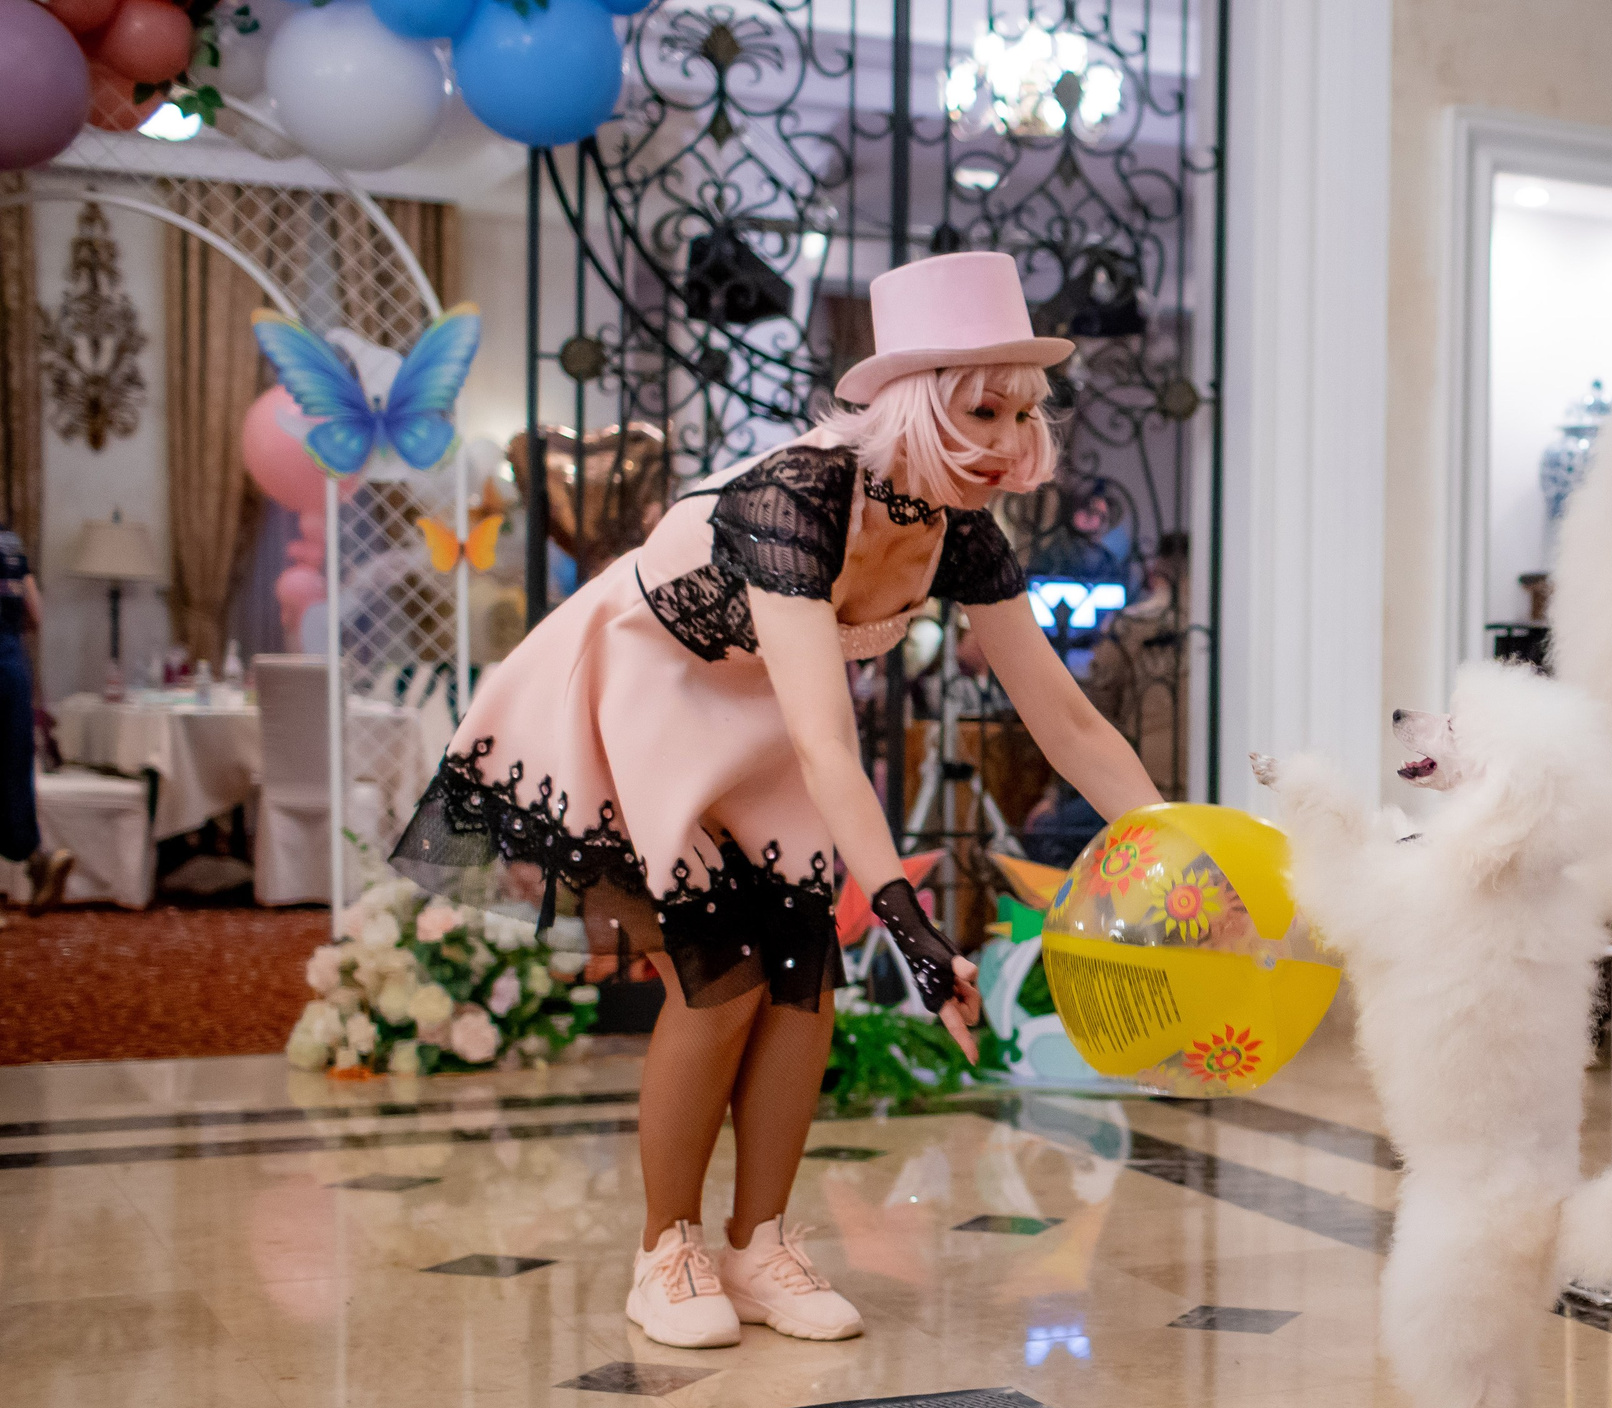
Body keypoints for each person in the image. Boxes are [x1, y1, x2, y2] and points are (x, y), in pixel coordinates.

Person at [390, 253, 1162, 1348]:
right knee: (723, 982)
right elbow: (823, 735)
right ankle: (667, 1250)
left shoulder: (963, 529)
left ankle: (760, 1244)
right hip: (635, 703)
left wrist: (1177, 841)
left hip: (759, 726)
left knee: (804, 980)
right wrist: (914, 930)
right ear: (913, 401)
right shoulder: (797, 493)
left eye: (1021, 412)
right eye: (980, 410)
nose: (1005, 442)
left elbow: (1067, 721)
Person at [0, 521, 73, 920]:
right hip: (12, 664)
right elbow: (36, 613)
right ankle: (37, 860)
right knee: (13, 770)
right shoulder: (10, 541)